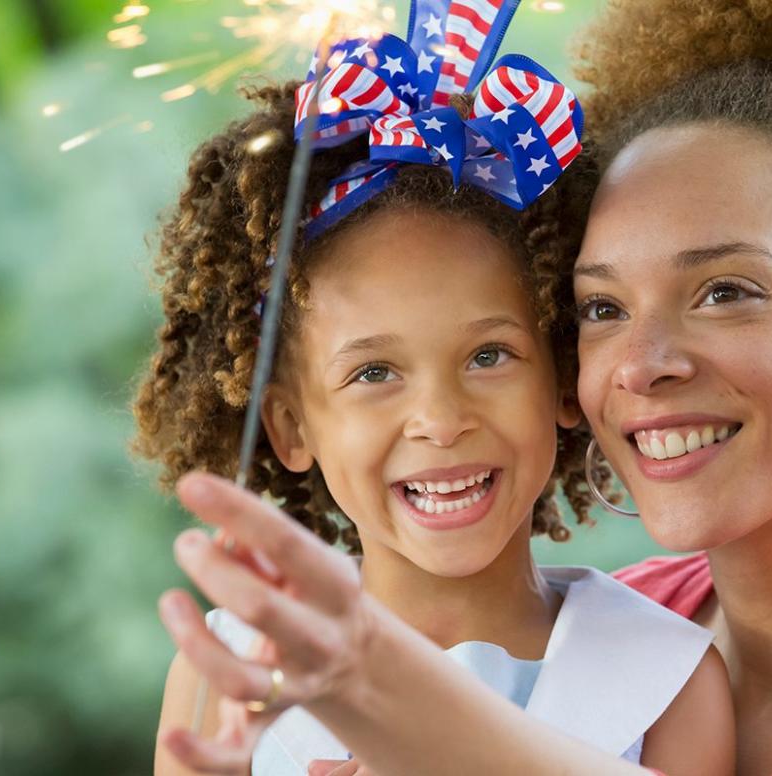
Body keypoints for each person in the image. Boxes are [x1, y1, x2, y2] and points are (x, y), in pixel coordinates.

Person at [156, 0, 772, 774]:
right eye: (602, 308)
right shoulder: (624, 618)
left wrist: (372, 683)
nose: (642, 361)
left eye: (726, 291)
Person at [136, 4, 732, 774]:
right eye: (373, 373)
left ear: (562, 376)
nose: (441, 421)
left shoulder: (669, 682)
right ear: (289, 427)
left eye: (489, 355)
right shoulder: (230, 674)